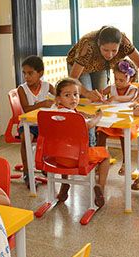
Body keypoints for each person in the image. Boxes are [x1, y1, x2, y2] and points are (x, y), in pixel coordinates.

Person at [50, 78, 110, 207]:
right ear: (58, 98)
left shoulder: (53, 111)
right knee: (106, 156)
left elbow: (69, 115)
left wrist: (80, 113)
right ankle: (100, 187)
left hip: (58, 157)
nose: (73, 98)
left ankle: (64, 184)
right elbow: (89, 126)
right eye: (67, 95)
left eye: (76, 94)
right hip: (77, 158)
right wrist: (98, 117)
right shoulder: (73, 117)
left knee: (65, 149)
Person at [66, 26, 139, 102]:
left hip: (100, 65)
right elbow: (73, 78)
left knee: (101, 97)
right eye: (105, 50)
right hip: (80, 68)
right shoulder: (87, 46)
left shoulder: (125, 43)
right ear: (98, 44)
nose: (109, 55)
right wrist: (87, 93)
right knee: (87, 98)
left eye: (114, 51)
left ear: (120, 45)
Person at [16, 55, 56, 189]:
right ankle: (27, 172)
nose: (26, 77)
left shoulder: (47, 86)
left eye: (30, 73)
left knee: (51, 139)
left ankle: (45, 166)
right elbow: (26, 109)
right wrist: (43, 103)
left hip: (43, 124)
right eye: (24, 73)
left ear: (40, 73)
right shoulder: (22, 89)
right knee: (26, 139)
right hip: (28, 124)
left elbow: (60, 96)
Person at [97, 59, 139, 175]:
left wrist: (115, 98)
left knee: (123, 136)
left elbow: (129, 98)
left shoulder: (133, 89)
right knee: (101, 132)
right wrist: (100, 96)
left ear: (130, 78)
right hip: (112, 121)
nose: (118, 82)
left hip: (127, 123)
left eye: (122, 80)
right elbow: (101, 93)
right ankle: (99, 159)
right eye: (116, 79)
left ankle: (126, 163)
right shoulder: (112, 87)